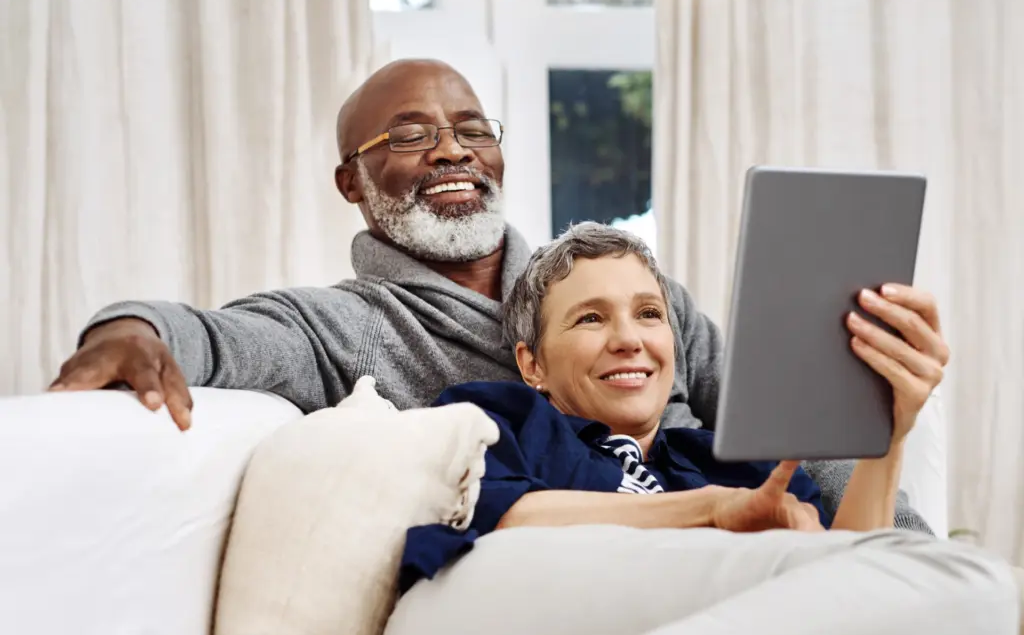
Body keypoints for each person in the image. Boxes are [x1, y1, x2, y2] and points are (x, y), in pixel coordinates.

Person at [49, 58, 933, 530]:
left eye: (473, 129)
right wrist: (129, 328)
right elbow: (219, 335)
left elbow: (796, 442)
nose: (452, 150)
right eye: (409, 135)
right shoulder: (343, 325)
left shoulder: (631, 291)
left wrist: (905, 549)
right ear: (351, 181)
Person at [387, 223, 1020, 635]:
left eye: (649, 314)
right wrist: (713, 512)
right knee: (978, 584)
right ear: (532, 364)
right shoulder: (500, 416)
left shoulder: (728, 463)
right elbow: (506, 515)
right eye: (590, 319)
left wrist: (889, 429)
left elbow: (854, 574)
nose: (629, 339)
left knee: (941, 585)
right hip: (505, 600)